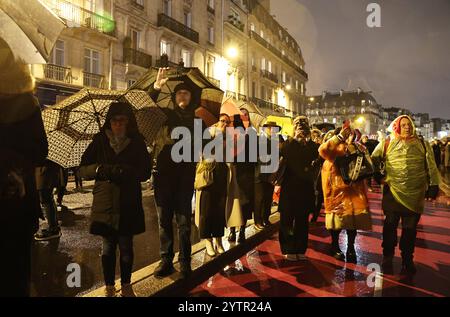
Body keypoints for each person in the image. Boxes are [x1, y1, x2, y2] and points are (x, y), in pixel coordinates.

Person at [79, 102, 152, 297]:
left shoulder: (136, 141)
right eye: (114, 121)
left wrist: (130, 172)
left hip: (128, 201)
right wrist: (100, 170)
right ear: (109, 122)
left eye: (122, 121)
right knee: (108, 247)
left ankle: (127, 284)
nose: (118, 124)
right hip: (105, 202)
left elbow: (145, 171)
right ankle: (110, 285)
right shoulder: (99, 141)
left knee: (126, 246)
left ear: (128, 123)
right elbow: (83, 169)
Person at [0, 38, 48, 297]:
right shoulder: (28, 103)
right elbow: (41, 152)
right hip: (19, 199)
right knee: (17, 272)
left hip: (15, 202)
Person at [149, 68, 205, 279]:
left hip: (185, 174)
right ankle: (166, 260)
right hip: (164, 174)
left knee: (183, 221)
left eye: (186, 93)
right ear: (174, 97)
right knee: (164, 220)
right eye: (179, 93)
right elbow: (148, 110)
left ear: (191, 97)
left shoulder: (198, 120)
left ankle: (185, 261)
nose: (182, 96)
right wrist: (156, 88)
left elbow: (207, 146)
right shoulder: (166, 115)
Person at [372, 115, 440, 274]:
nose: (407, 127)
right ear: (397, 126)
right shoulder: (387, 142)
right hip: (392, 193)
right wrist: (378, 176)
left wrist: (434, 185)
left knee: (410, 230)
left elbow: (431, 165)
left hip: (415, 194)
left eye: (409, 124)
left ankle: (407, 258)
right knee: (390, 227)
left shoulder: (422, 143)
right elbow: (373, 159)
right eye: (403, 125)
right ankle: (388, 255)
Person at [319, 126, 373, 262]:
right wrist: (339, 137)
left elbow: (368, 166)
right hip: (337, 192)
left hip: (354, 191)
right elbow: (322, 150)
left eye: (352, 134)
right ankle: (335, 245)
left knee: (352, 224)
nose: (350, 136)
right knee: (336, 223)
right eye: (347, 134)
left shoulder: (359, 148)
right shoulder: (335, 149)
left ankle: (350, 248)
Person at [278, 116, 319, 261]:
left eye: (303, 126)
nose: (301, 128)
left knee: (302, 221)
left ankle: (301, 248)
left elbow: (317, 156)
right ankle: (288, 248)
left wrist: (307, 141)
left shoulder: (312, 146)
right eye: (298, 126)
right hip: (289, 188)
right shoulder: (288, 143)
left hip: (305, 188)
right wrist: (294, 139)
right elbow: (284, 153)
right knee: (287, 220)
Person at [195, 114, 230, 256]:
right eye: (222, 121)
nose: (225, 124)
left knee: (219, 210)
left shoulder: (227, 136)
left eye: (227, 122)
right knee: (206, 209)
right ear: (216, 121)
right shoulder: (208, 132)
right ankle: (208, 241)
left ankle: (219, 240)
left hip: (221, 173)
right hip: (208, 174)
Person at [226, 115, 253, 243]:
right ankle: (240, 231)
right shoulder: (247, 136)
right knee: (243, 204)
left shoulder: (231, 137)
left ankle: (233, 231)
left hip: (236, 172)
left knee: (234, 202)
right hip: (244, 173)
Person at [253, 121, 281, 231]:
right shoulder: (259, 140)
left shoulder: (274, 141)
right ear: (267, 128)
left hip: (271, 174)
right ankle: (257, 221)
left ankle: (265, 218)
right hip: (260, 174)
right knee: (259, 199)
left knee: (268, 198)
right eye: (271, 128)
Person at [34, 160, 65, 241]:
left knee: (45, 199)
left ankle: (53, 228)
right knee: (48, 199)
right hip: (47, 171)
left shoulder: (43, 152)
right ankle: (54, 226)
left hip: (44, 171)